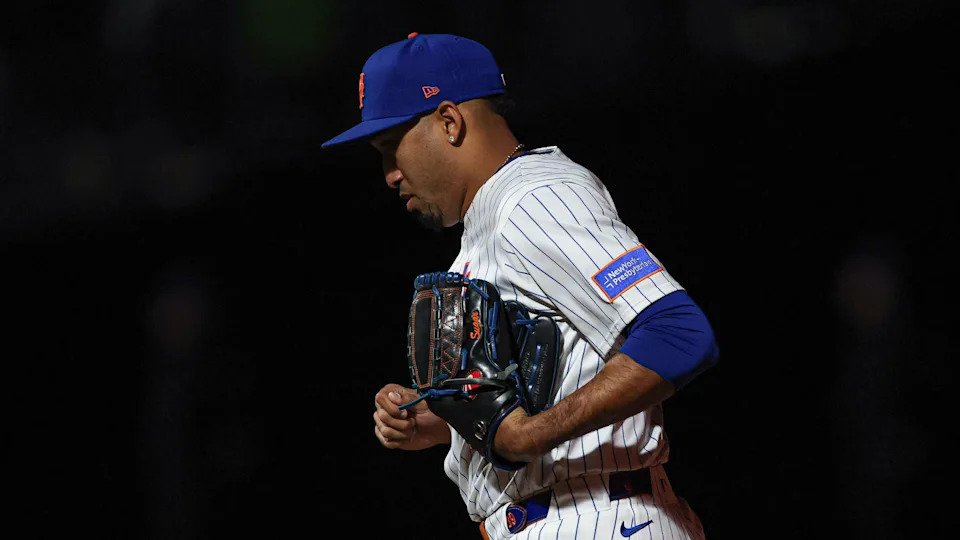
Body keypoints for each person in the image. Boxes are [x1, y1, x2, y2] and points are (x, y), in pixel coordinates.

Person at [322, 32, 720, 540]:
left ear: (449, 121)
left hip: (595, 516)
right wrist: (450, 421)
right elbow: (553, 376)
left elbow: (678, 332)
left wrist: (528, 435)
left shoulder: (534, 198)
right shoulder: (490, 224)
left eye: (389, 146)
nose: (390, 174)